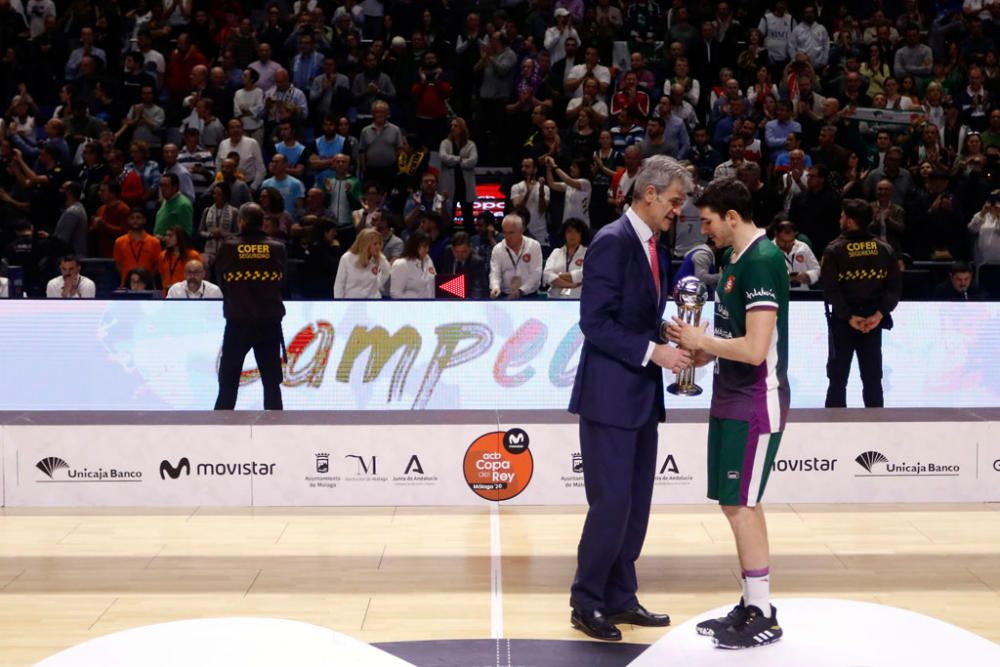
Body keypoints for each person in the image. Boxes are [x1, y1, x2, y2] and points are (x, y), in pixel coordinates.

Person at [568, 155, 693, 642]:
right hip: (609, 396)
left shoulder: (653, 247)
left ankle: (620, 596)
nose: (677, 212)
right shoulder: (611, 242)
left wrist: (673, 335)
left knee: (635, 505)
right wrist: (653, 352)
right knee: (612, 504)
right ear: (649, 194)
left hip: (640, 395)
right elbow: (594, 322)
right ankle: (586, 600)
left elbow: (638, 317)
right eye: (675, 202)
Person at [667, 177, 790, 650]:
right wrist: (704, 354)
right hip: (730, 394)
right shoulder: (736, 260)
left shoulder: (762, 259)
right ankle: (752, 602)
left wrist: (704, 343)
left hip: (756, 398)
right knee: (733, 502)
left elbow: (757, 349)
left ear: (732, 217)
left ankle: (762, 612)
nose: (705, 231)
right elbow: (733, 339)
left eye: (709, 221)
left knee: (742, 504)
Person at [820, 199, 902, 408]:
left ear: (849, 220)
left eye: (842, 216)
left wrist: (848, 316)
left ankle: (832, 431)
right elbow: (894, 289)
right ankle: (877, 432)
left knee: (837, 380)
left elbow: (830, 290)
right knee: (873, 379)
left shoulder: (834, 250)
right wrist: (879, 315)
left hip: (842, 322)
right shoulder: (884, 249)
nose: (840, 219)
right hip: (873, 322)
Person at [214, 203, 288, 411]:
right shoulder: (277, 248)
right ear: (262, 222)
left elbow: (222, 281)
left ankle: (219, 425)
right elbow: (282, 283)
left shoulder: (228, 247)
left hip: (238, 321)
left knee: (228, 379)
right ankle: (276, 427)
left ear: (242, 222)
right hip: (268, 322)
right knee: (271, 382)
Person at [489, 214, 543, 299]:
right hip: (505, 294)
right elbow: (495, 273)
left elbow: (536, 274)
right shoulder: (497, 249)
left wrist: (521, 291)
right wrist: (495, 287)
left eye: (511, 233)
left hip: (529, 295)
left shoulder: (534, 246)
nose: (507, 237)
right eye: (505, 233)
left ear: (521, 231)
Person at [334, 227, 391, 298]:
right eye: (375, 244)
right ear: (365, 244)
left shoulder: (379, 258)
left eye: (379, 243)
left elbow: (387, 272)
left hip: (373, 301)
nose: (378, 247)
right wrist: (340, 304)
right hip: (352, 301)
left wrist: (376, 284)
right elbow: (339, 284)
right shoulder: (347, 258)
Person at [113, 209, 162, 286]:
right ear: (128, 220)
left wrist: (146, 277)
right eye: (132, 218)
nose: (135, 220)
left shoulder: (154, 242)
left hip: (147, 285)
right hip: (126, 285)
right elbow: (118, 265)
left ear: (144, 220)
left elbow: (157, 266)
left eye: (138, 218)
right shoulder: (119, 242)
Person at [543, 218, 587, 299]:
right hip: (555, 297)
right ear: (564, 234)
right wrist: (570, 285)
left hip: (578, 297)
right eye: (569, 231)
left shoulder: (588, 253)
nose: (572, 235)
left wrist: (558, 275)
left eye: (576, 232)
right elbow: (546, 275)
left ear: (581, 235)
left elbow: (584, 274)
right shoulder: (556, 252)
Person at [544, 156, 592, 226]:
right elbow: (552, 184)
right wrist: (548, 168)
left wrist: (554, 165)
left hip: (582, 224)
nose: (571, 168)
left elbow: (568, 180)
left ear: (581, 169)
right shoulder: (569, 185)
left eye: (574, 167)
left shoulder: (586, 183)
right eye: (571, 166)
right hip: (568, 223)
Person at [439, 231, 488, 298]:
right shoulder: (447, 254)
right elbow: (443, 280)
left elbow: (478, 289)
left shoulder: (477, 262)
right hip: (449, 298)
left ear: (470, 248)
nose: (460, 255)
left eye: (463, 252)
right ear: (452, 249)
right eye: (457, 251)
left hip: (468, 299)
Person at [772, 220, 819, 290]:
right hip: (779, 294)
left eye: (790, 241)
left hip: (803, 294)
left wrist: (808, 276)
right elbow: (763, 276)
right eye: (783, 241)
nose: (787, 245)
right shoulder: (769, 250)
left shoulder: (803, 247)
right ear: (776, 235)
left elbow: (817, 269)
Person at [390, 231, 436, 299]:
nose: (427, 250)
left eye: (428, 246)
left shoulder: (428, 259)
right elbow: (395, 294)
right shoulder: (401, 264)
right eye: (424, 246)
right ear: (415, 246)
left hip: (429, 306)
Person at [158, 226, 202, 295]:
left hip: (187, 294)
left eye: (170, 235)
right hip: (167, 294)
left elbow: (200, 275)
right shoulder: (163, 255)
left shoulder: (193, 255)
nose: (166, 238)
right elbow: (162, 276)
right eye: (165, 235)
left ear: (180, 237)